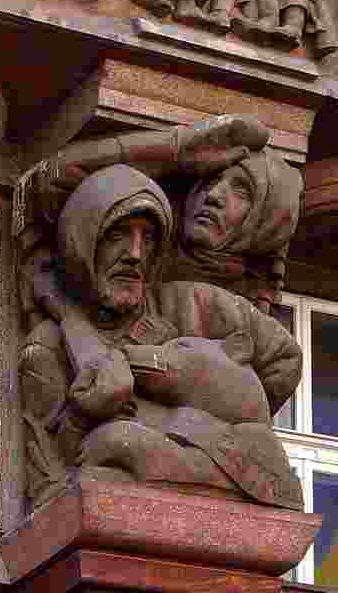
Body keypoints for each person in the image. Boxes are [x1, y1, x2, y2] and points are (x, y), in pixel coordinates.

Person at [20, 165, 302, 508]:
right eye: (116, 235)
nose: (135, 254)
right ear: (82, 241)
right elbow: (49, 486)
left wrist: (219, 408)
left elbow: (284, 358)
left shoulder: (189, 305)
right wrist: (82, 415)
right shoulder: (47, 348)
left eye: (148, 238)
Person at [16, 114, 301, 321]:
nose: (213, 195)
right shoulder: (146, 233)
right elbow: (53, 177)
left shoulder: (248, 315)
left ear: (268, 222)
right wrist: (175, 149)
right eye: (209, 179)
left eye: (241, 191)